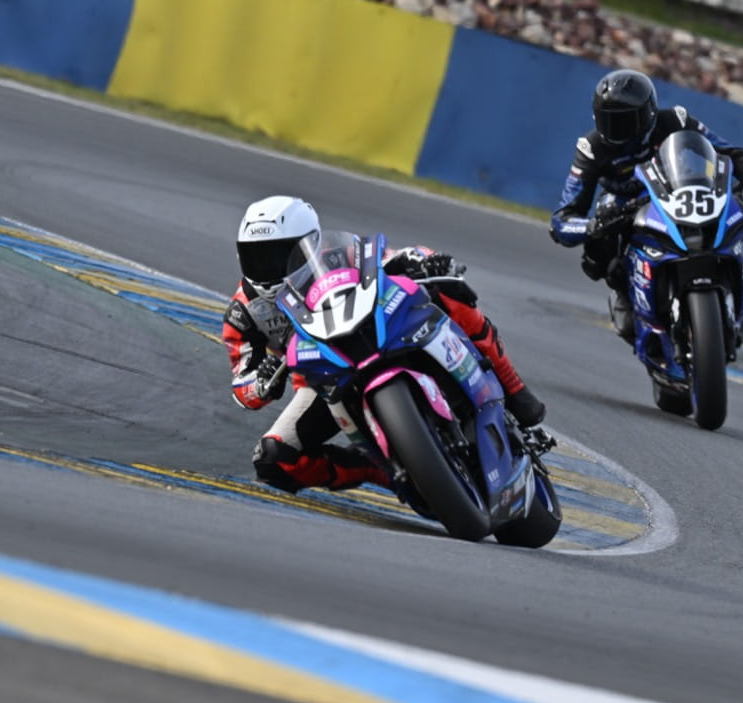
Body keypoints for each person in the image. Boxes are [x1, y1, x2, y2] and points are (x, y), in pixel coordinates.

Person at [224, 195, 546, 495]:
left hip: (379, 332)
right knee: (273, 458)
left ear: (311, 242)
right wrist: (260, 383)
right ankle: (377, 469)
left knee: (449, 291)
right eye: (255, 256)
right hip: (323, 378)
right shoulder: (244, 311)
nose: (266, 267)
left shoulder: (338, 254)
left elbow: (390, 258)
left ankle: (513, 388)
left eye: (279, 254)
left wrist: (425, 260)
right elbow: (242, 384)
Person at [548, 70, 743, 341]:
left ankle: (739, 283)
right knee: (598, 246)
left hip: (680, 191)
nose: (618, 130)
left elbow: (735, 154)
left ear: (649, 113)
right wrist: (592, 226)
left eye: (626, 121)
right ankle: (626, 295)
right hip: (628, 206)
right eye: (610, 121)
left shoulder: (675, 120)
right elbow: (562, 220)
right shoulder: (592, 148)